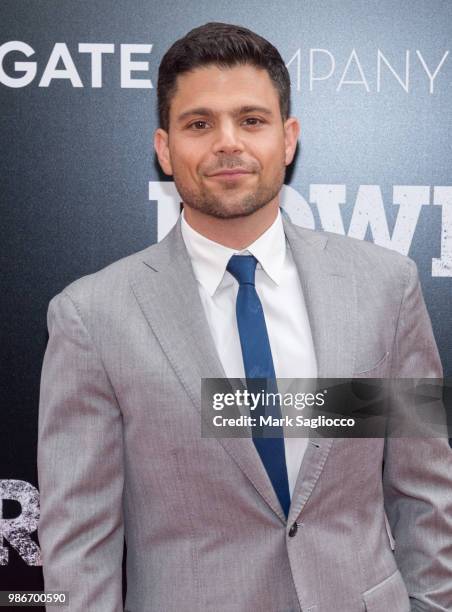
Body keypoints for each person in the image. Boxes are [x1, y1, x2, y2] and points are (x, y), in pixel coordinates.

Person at [38, 22, 452, 612]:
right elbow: (78, 546)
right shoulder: (92, 316)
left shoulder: (386, 287)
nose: (227, 142)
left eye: (251, 120)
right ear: (164, 148)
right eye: (199, 124)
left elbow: (426, 491)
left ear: (288, 139)